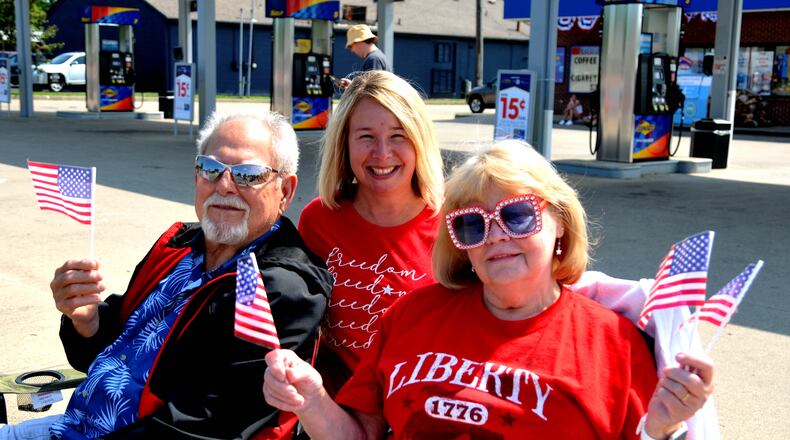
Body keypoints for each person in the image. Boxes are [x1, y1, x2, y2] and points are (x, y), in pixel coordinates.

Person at [263, 140, 715, 439]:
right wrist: (313, 399)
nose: (495, 235)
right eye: (472, 224)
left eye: (517, 216)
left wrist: (662, 428)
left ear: (559, 223)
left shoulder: (614, 343)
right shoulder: (411, 316)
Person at [1, 110, 332, 439]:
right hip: (73, 425)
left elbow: (212, 424)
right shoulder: (180, 246)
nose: (225, 186)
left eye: (248, 175)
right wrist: (86, 322)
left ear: (285, 192)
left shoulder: (273, 288)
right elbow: (104, 352)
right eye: (211, 169)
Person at [298, 70, 444, 396]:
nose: (382, 153)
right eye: (365, 136)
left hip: (416, 410)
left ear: (420, 140)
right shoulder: (319, 220)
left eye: (398, 135)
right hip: (336, 409)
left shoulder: (454, 225)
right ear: (344, 144)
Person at [337, 24, 391, 91]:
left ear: (359, 41)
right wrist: (352, 85)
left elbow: (372, 91)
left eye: (351, 46)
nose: (352, 50)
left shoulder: (373, 59)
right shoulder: (376, 57)